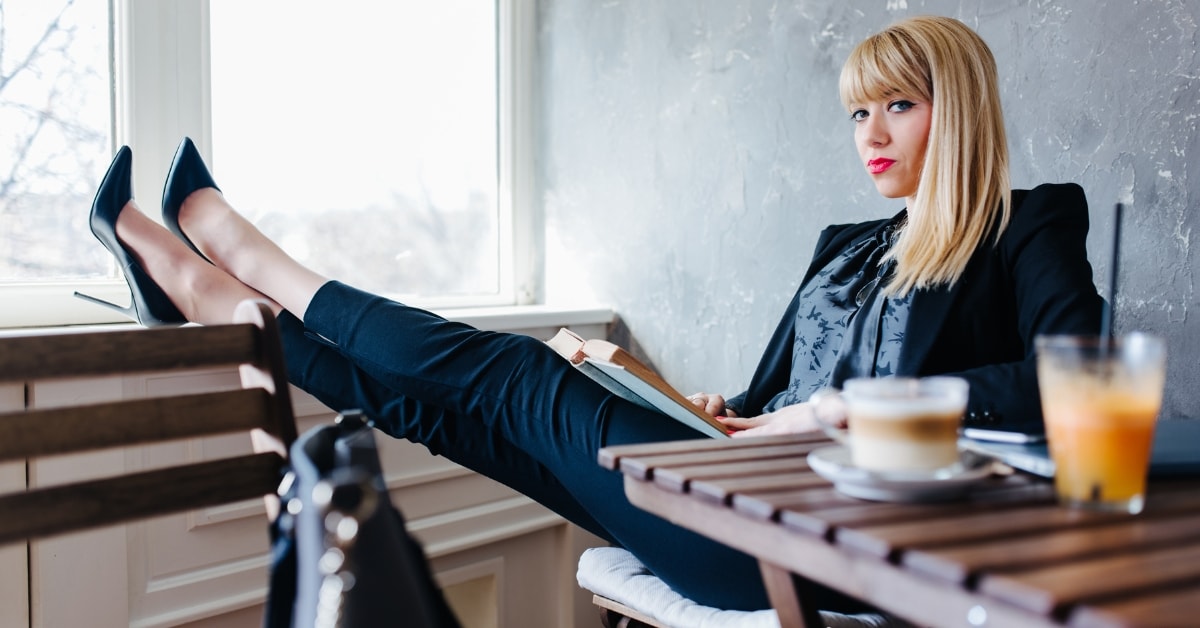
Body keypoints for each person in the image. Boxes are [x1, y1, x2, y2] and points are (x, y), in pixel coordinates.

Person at [74, 15, 1101, 617]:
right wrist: (713, 406)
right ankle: (214, 301)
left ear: (955, 106)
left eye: (898, 106)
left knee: (511, 376)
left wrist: (850, 414)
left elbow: (1076, 385)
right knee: (451, 413)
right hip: (724, 486)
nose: (870, 134)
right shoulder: (848, 244)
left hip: (820, 541)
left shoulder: (1028, 226)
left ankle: (243, 266)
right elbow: (768, 402)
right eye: (857, 113)